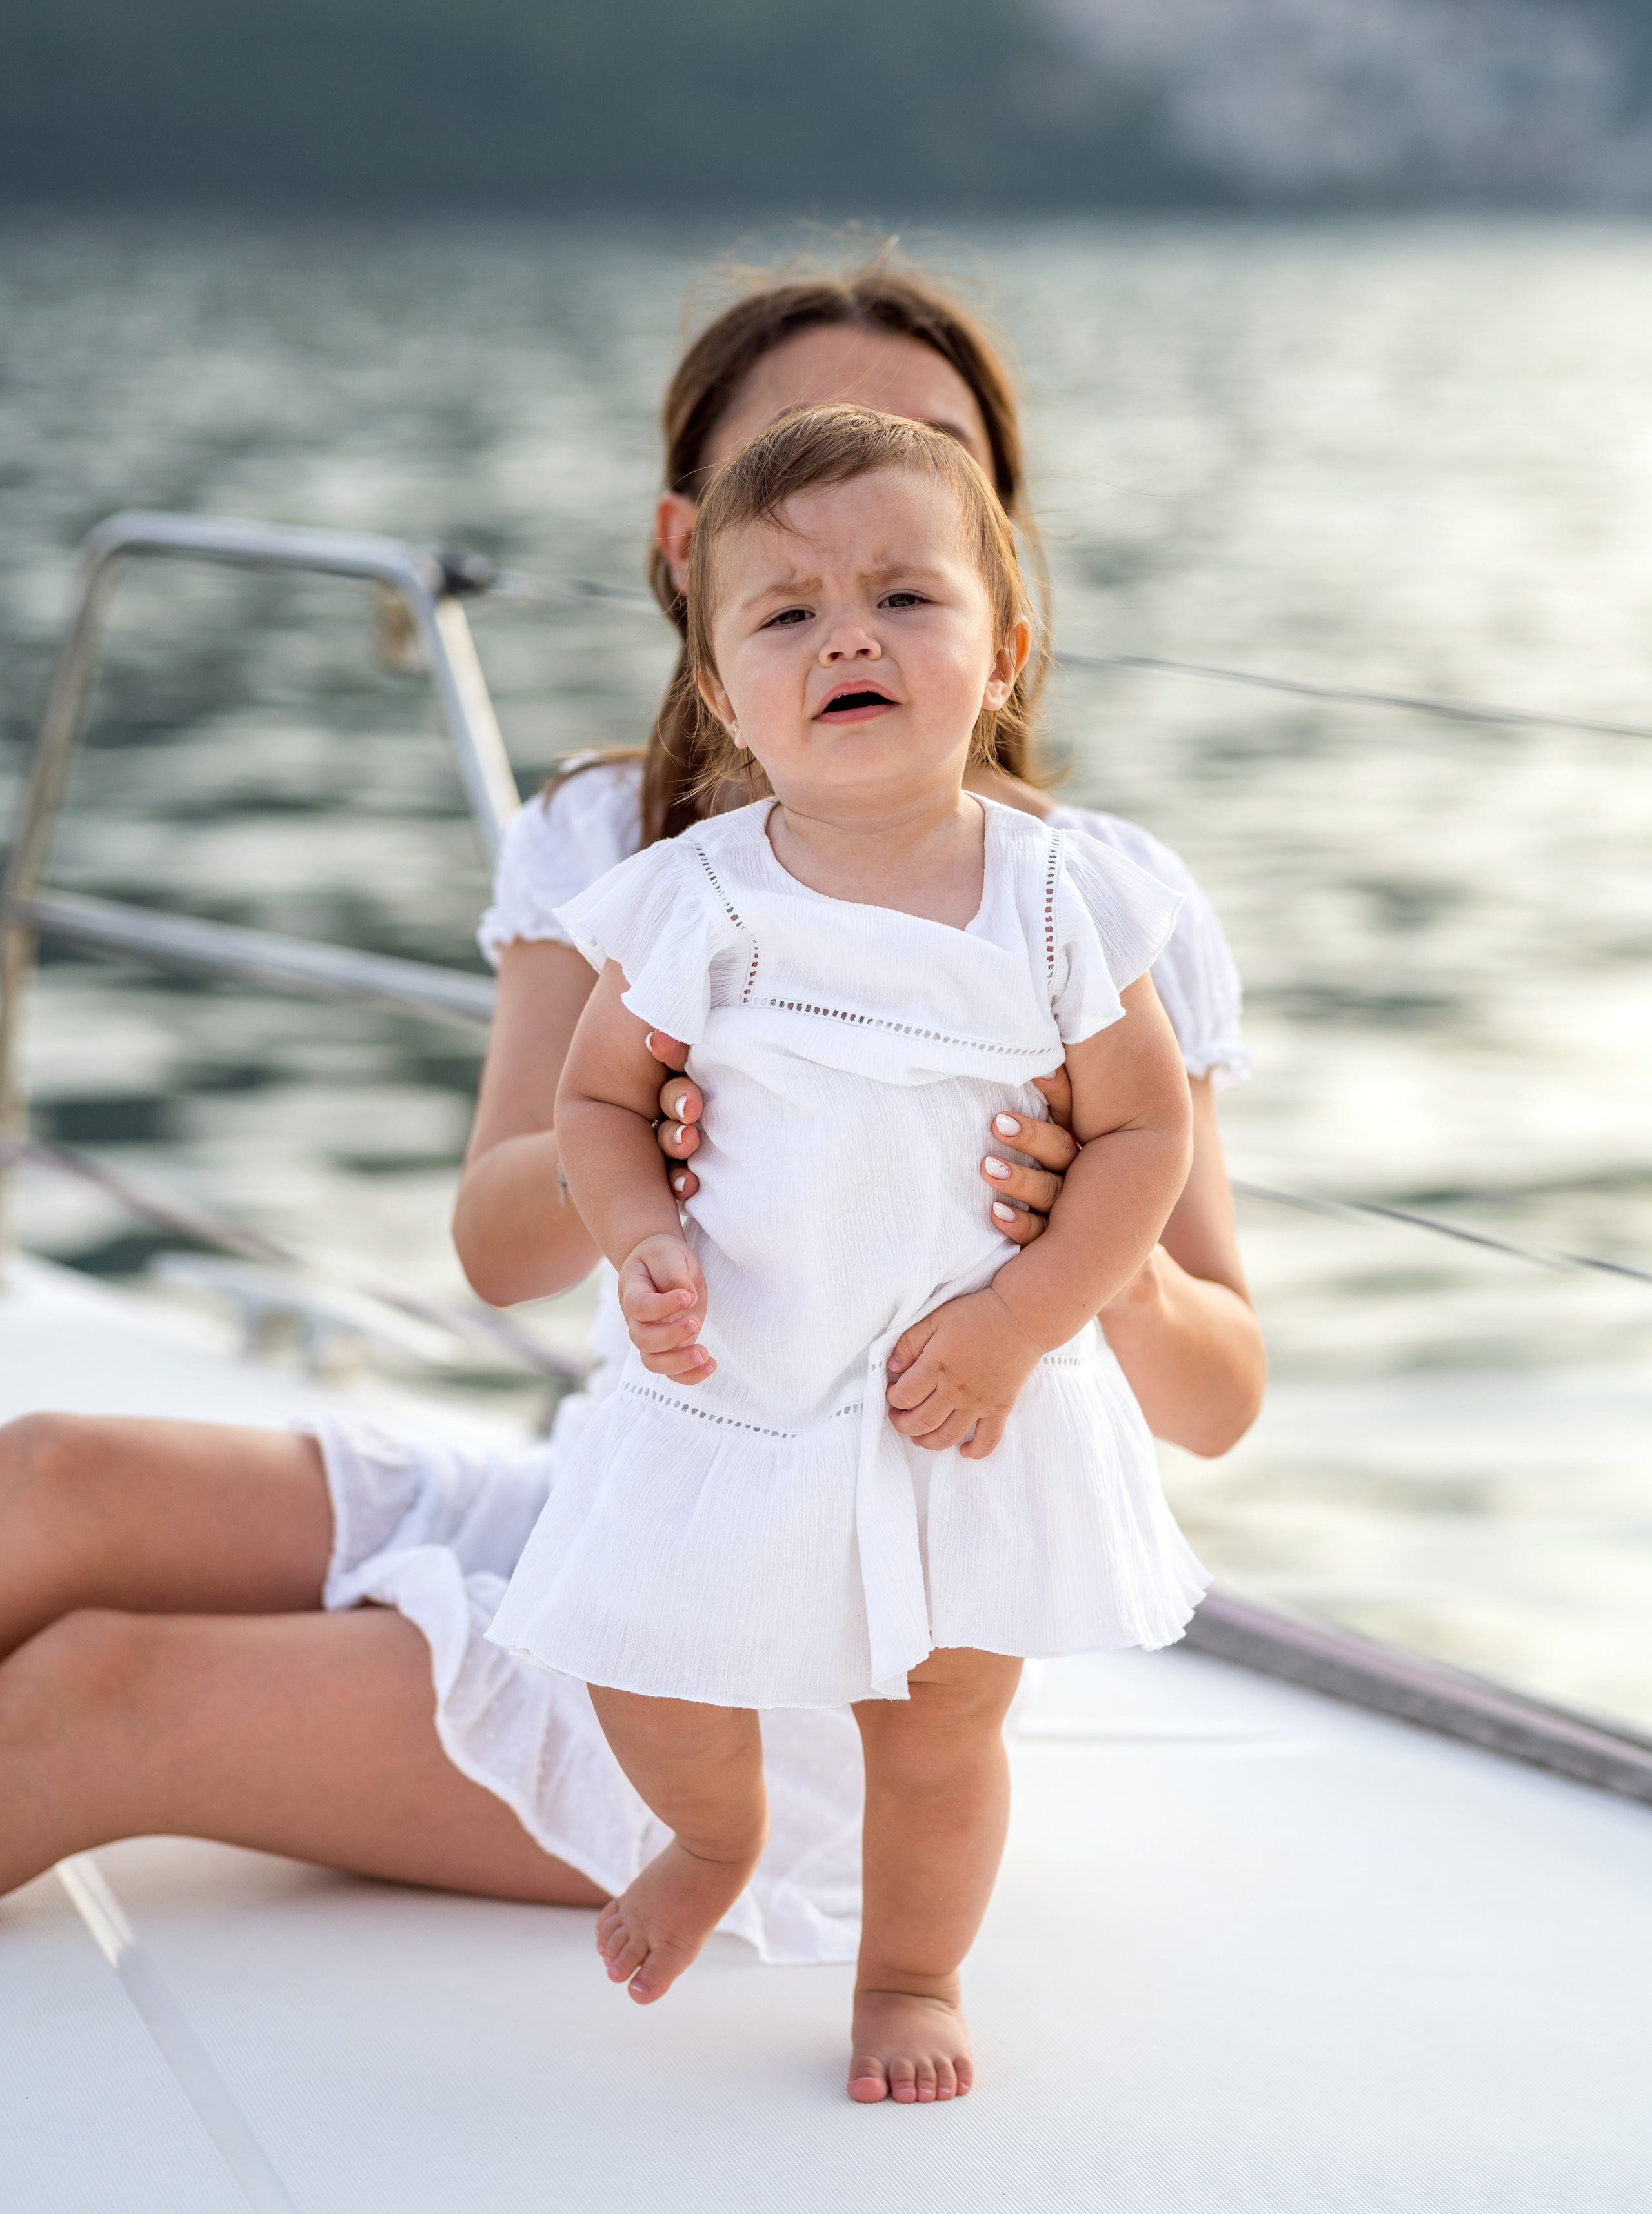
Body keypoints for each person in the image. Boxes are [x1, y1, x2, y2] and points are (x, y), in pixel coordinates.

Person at [0, 258, 1263, 2068]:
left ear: (995, 579)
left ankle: (778, 1873)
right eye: (793, 490)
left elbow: (1219, 1398)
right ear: (695, 550)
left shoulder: (1089, 909)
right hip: (643, 1477)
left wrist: (1093, 1252)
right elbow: (504, 1244)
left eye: (916, 483)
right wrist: (639, 1171)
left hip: (828, 1642)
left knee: (95, 1693)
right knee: (46, 1474)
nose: (850, 578)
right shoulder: (622, 848)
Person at [491, 401, 1205, 2105]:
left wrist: (1029, 1319)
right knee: (638, 1655)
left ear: (1004, 650)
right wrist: (642, 1233)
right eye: (789, 613)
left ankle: (911, 1974)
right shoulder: (692, 900)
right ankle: (713, 1835)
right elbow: (597, 1108)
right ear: (727, 694)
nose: (850, 637)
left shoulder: (1056, 900)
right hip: (740, 1366)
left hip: (959, 1393)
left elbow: (1142, 1137)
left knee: (945, 1721)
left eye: (905, 595)